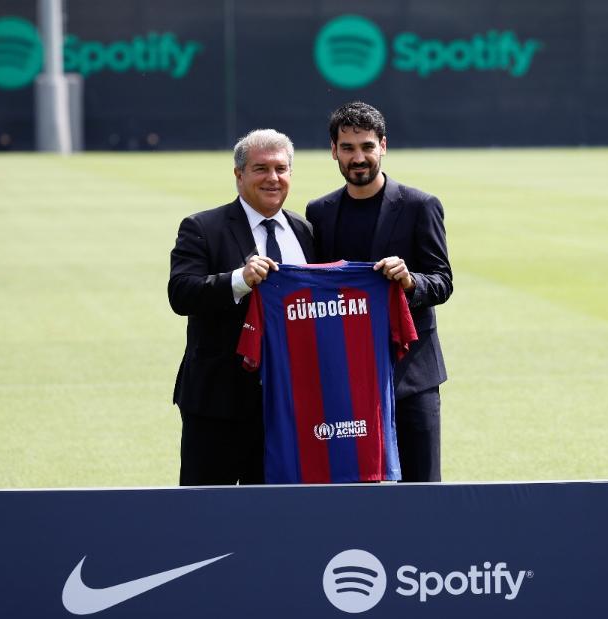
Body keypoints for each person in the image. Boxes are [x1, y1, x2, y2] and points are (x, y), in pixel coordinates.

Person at [305, 101, 453, 482]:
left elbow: (442, 280)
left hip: (411, 375)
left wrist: (410, 281)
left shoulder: (420, 206)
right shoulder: (319, 212)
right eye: (349, 148)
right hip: (346, 376)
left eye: (367, 146)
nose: (359, 157)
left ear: (383, 146)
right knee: (353, 484)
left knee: (422, 487)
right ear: (333, 151)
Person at [168, 129, 314, 485]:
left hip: (286, 405)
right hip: (218, 403)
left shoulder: (305, 231)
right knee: (205, 513)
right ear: (239, 175)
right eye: (260, 168)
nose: (272, 178)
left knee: (274, 516)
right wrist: (239, 280)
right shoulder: (202, 227)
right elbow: (181, 294)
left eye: (281, 169)